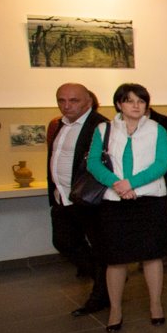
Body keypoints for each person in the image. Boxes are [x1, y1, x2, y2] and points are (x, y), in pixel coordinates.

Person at [86, 83, 167, 333]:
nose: (136, 105)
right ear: (119, 104)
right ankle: (115, 309)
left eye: (141, 101)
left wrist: (131, 183)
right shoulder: (104, 129)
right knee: (115, 258)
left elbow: (161, 164)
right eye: (130, 100)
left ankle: (156, 304)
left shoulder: (156, 129)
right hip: (115, 200)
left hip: (149, 198)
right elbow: (93, 163)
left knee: (152, 255)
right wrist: (118, 184)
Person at [47, 83, 111, 317]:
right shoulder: (58, 125)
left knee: (100, 247)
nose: (66, 106)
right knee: (63, 241)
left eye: (73, 100)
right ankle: (106, 278)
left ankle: (101, 295)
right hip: (62, 197)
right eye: (61, 100)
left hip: (89, 198)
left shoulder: (101, 126)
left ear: (88, 102)